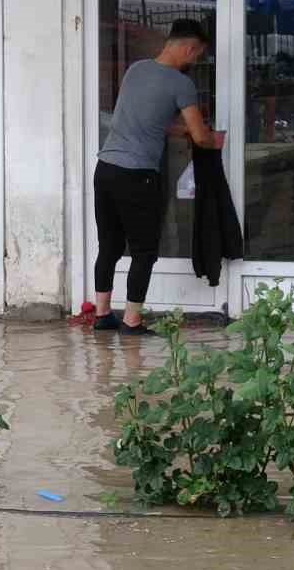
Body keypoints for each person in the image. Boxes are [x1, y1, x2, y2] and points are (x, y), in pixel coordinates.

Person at [92, 18, 225, 334]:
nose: (194, 61)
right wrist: (212, 138)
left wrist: (179, 130)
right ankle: (132, 321)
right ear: (189, 47)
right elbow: (200, 136)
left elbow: (147, 119)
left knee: (108, 246)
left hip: (106, 169)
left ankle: (101, 315)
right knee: (144, 250)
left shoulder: (136, 69)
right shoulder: (181, 84)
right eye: (196, 55)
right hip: (137, 176)